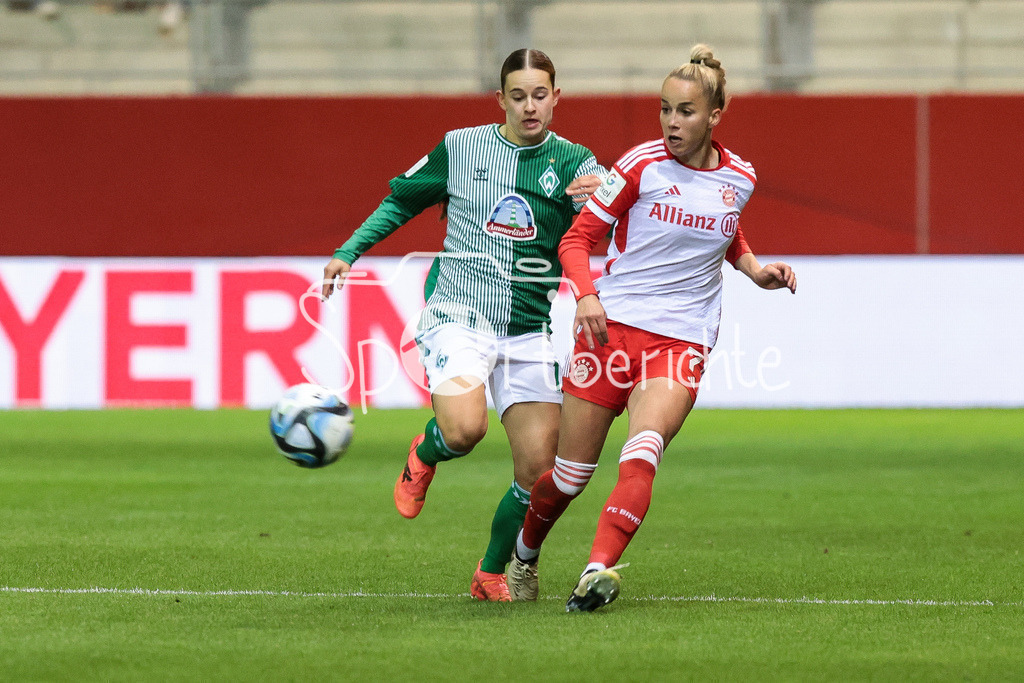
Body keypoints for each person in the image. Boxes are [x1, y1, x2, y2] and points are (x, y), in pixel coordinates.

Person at [507, 44, 797, 612]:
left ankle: (596, 570)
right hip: (609, 329)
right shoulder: (639, 165)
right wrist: (586, 295)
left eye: (685, 112)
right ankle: (524, 555)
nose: (671, 122)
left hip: (682, 337)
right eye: (665, 109)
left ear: (714, 117)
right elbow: (576, 240)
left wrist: (756, 270)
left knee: (644, 449)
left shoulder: (741, 177)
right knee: (568, 477)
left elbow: (724, 230)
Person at [321, 49, 605, 602]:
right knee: (464, 430)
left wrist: (597, 208)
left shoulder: (577, 164)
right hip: (458, 313)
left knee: (540, 471)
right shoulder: (461, 146)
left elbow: (600, 238)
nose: (530, 107)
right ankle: (425, 454)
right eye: (518, 96)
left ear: (557, 97)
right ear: (500, 99)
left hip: (528, 328)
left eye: (540, 95)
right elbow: (400, 202)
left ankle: (490, 570)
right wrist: (348, 252)